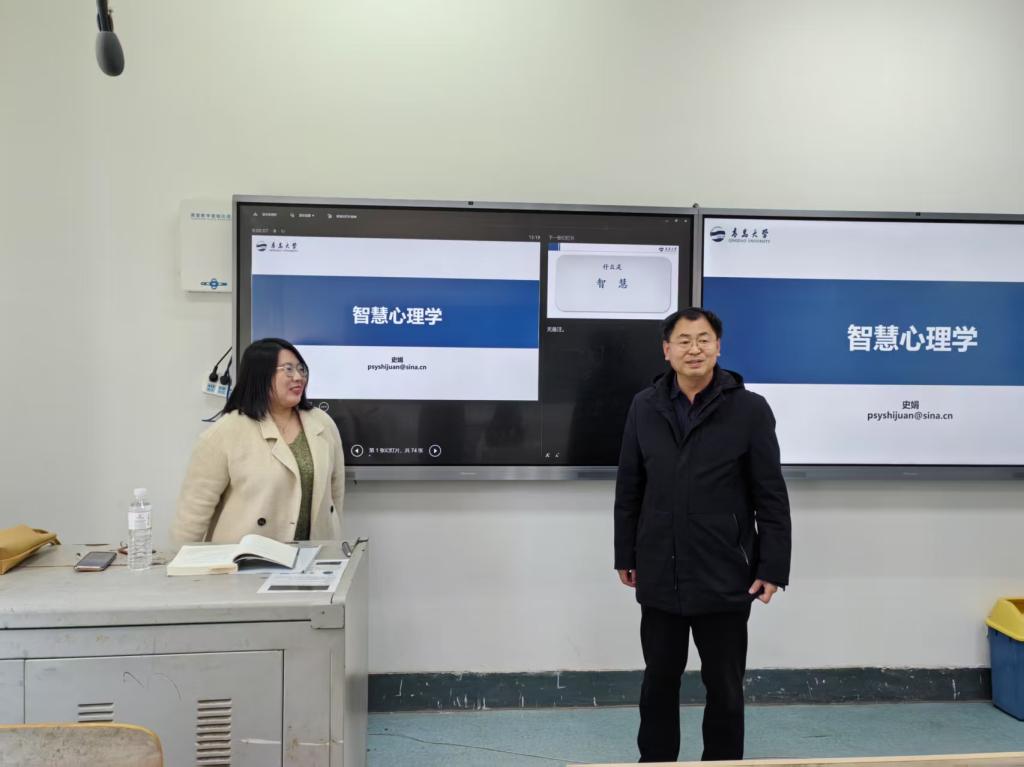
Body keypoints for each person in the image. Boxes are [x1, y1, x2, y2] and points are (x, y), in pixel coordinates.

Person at [613, 307, 791, 762]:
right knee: (658, 681)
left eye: (704, 339)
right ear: (667, 350)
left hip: (725, 571)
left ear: (718, 347)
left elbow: (770, 494)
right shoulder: (644, 406)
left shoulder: (749, 409)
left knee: (725, 686)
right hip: (660, 568)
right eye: (684, 340)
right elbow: (630, 486)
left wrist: (772, 567)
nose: (695, 349)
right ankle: (656, 761)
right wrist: (625, 553)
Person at [171, 338, 345, 545]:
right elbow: (193, 512)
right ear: (260, 374)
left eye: (301, 369)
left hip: (314, 556)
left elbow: (335, 494)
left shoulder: (322, 423)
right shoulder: (226, 432)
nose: (299, 377)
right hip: (245, 557)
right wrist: (181, 559)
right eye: (288, 370)